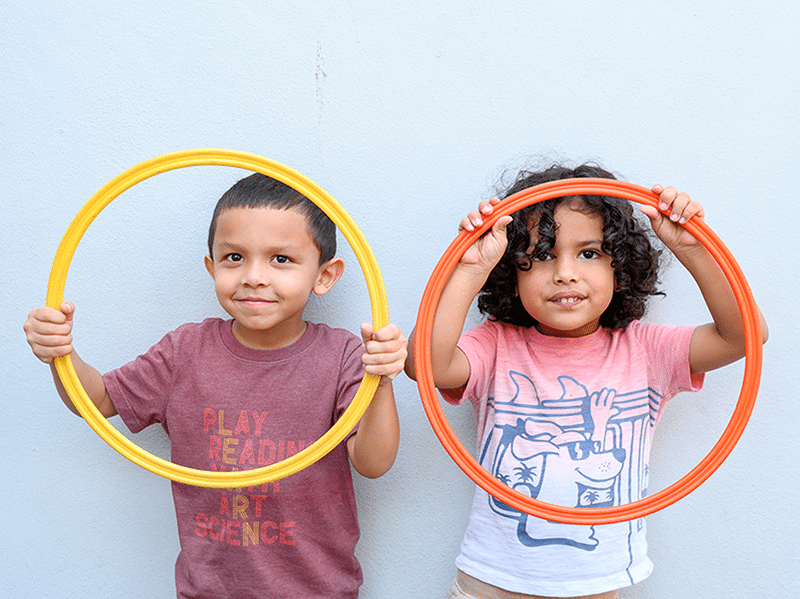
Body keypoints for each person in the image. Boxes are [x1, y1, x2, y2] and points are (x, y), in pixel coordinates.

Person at [24, 173, 407, 599]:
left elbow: (374, 462)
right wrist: (60, 353)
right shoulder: (185, 350)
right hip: (207, 591)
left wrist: (383, 379)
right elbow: (94, 400)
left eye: (281, 259)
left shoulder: (344, 356)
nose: (254, 277)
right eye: (234, 258)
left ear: (325, 275)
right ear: (211, 267)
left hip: (317, 591)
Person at [404, 163, 768, 599]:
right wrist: (469, 268)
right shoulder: (497, 345)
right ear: (512, 275)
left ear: (620, 267)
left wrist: (694, 248)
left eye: (589, 253)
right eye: (541, 256)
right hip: (491, 583)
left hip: (595, 586)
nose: (564, 273)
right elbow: (424, 365)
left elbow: (746, 334)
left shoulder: (645, 351)